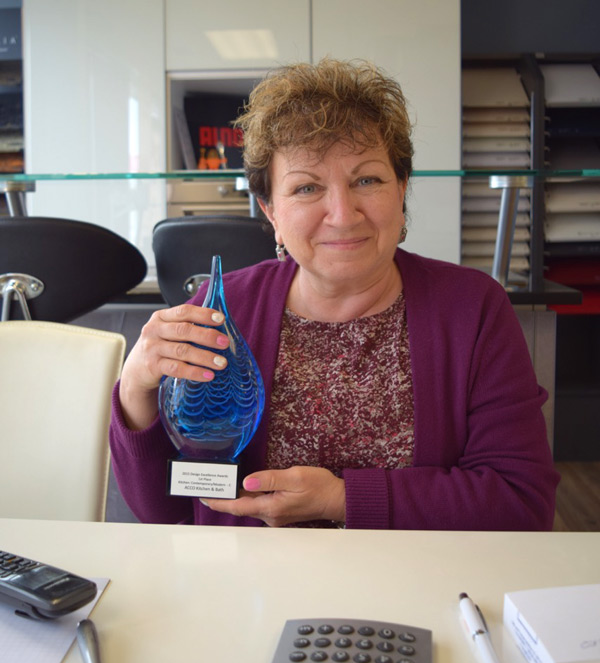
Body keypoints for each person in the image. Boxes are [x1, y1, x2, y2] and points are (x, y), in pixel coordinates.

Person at [110, 58, 559, 530]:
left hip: (422, 589)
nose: (343, 214)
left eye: (367, 180)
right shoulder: (224, 311)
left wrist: (343, 500)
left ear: (402, 189)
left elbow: (520, 503)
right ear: (271, 212)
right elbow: (166, 513)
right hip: (248, 587)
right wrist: (137, 389)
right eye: (307, 187)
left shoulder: (473, 310)